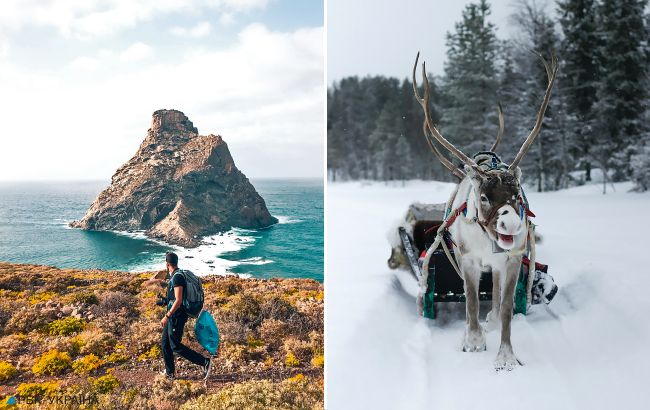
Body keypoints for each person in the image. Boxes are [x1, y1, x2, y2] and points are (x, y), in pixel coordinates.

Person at [159, 252, 211, 380]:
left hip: (177, 316)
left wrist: (167, 315)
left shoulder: (177, 278)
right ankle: (170, 374)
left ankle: (205, 362)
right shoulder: (176, 276)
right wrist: (164, 301)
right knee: (165, 343)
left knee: (175, 346)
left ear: (167, 264)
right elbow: (174, 298)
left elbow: (178, 300)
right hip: (173, 315)